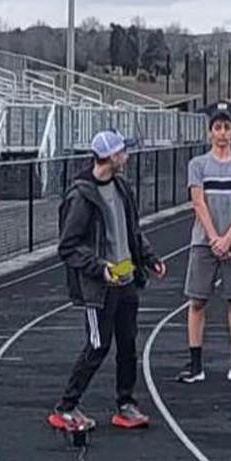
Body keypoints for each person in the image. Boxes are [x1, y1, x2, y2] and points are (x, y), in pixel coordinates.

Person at [48, 129, 166, 432]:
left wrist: (149, 258)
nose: (127, 156)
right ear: (112, 157)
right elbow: (68, 246)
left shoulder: (122, 188)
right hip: (99, 288)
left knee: (128, 344)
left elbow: (132, 231)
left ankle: (125, 404)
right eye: (123, 152)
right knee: (97, 346)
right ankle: (66, 406)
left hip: (125, 281)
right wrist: (99, 268)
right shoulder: (80, 196)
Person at [178, 110, 231, 384]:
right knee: (197, 301)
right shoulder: (198, 165)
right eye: (218, 128)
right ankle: (195, 364)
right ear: (210, 132)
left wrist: (228, 238)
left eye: (227, 128)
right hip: (203, 243)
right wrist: (214, 237)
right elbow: (198, 202)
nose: (222, 133)